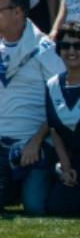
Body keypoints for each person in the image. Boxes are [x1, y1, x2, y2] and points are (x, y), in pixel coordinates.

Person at [0, 0, 62, 215]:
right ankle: (15, 185)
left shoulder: (43, 49)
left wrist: (37, 141)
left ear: (18, 12)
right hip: (0, 143)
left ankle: (48, 178)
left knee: (35, 207)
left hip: (36, 144)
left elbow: (60, 101)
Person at [46, 22, 80, 216]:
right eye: (66, 46)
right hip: (73, 161)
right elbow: (55, 130)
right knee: (58, 207)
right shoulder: (52, 84)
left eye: (78, 45)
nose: (72, 51)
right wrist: (66, 168)